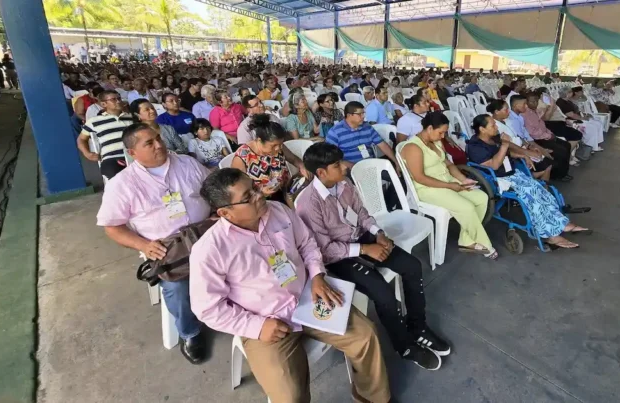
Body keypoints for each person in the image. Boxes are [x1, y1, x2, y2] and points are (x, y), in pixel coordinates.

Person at [189, 168, 390, 403]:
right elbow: (208, 309)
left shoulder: (278, 210)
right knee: (289, 395)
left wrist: (316, 276)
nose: (259, 195)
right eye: (248, 196)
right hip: (265, 321)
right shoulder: (209, 250)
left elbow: (307, 243)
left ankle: (372, 397)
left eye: (255, 187)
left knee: (366, 336)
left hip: (310, 297)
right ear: (225, 212)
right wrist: (257, 326)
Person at [297, 142, 450, 370]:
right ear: (321, 172)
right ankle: (404, 345)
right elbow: (325, 249)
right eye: (337, 165)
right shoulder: (308, 203)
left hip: (361, 238)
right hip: (338, 258)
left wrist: (378, 234)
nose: (345, 167)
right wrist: (365, 250)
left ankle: (418, 326)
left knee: (412, 266)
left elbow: (362, 214)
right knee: (383, 293)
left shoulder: (344, 184)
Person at [97, 123, 209, 364]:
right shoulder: (123, 184)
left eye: (158, 138)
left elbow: (211, 189)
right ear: (132, 152)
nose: (159, 145)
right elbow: (112, 227)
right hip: (170, 249)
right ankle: (190, 333)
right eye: (149, 143)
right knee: (178, 288)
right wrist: (143, 245)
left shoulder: (187, 163)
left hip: (205, 234)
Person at [467, 114, 589, 249]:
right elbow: (494, 165)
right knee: (532, 195)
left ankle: (562, 224)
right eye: (492, 125)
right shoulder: (475, 146)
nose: (496, 127)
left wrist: (522, 155)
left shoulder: (493, 138)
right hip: (498, 179)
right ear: (482, 129)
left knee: (542, 190)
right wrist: (505, 145)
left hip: (512, 173)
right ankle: (551, 236)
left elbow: (506, 154)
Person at [399, 112, 498, 259]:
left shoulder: (436, 142)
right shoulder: (413, 147)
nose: (443, 136)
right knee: (467, 207)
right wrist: (450, 186)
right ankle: (485, 244)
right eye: (441, 132)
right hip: (427, 189)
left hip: (447, 181)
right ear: (430, 128)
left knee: (481, 197)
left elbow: (449, 164)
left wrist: (463, 180)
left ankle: (467, 241)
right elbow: (419, 178)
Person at [508, 95, 571, 181]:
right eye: (524, 104)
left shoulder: (520, 116)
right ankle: (555, 176)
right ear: (516, 106)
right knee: (558, 154)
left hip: (532, 142)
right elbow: (523, 138)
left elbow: (530, 134)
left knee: (565, 147)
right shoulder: (513, 120)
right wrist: (539, 148)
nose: (526, 106)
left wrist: (541, 145)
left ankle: (560, 173)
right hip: (528, 144)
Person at [487, 99, 553, 181]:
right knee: (545, 166)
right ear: (497, 111)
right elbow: (507, 145)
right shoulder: (494, 127)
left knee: (547, 162)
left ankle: (541, 185)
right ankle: (536, 183)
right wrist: (527, 152)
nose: (509, 112)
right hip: (513, 153)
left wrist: (529, 146)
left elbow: (518, 136)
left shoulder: (507, 121)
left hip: (521, 148)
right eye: (506, 110)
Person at [230, 115, 292, 201]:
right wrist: (260, 192)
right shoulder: (243, 156)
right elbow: (237, 186)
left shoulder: (278, 145)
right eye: (273, 146)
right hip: (260, 200)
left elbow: (293, 158)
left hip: (283, 191)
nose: (278, 148)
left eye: (281, 144)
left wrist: (301, 166)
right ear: (259, 140)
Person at [76, 90, 134, 179]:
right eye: (113, 99)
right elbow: (81, 139)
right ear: (103, 104)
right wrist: (87, 153)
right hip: (112, 159)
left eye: (119, 98)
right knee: (118, 177)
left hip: (135, 155)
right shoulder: (94, 121)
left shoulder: (131, 117)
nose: (118, 101)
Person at [326, 102, 398, 169]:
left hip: (371, 165)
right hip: (349, 169)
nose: (363, 116)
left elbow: (382, 144)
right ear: (349, 115)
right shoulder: (335, 132)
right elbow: (330, 157)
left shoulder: (367, 127)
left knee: (392, 174)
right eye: (360, 114)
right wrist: (351, 166)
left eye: (363, 113)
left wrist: (396, 161)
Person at [523, 93, 580, 166]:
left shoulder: (535, 111)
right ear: (526, 102)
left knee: (566, 145)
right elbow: (533, 133)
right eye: (532, 102)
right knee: (561, 150)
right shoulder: (526, 114)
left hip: (545, 134)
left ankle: (564, 169)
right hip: (538, 139)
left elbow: (542, 126)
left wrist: (549, 134)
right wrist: (548, 136)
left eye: (536, 101)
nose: (535, 103)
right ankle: (558, 172)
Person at [557, 87, 604, 151]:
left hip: (578, 118)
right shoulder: (561, 102)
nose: (572, 93)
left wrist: (584, 115)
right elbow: (571, 115)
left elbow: (576, 110)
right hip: (572, 121)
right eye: (570, 91)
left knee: (598, 123)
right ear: (566, 94)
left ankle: (596, 143)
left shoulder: (567, 101)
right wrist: (583, 118)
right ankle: (590, 146)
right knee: (592, 127)